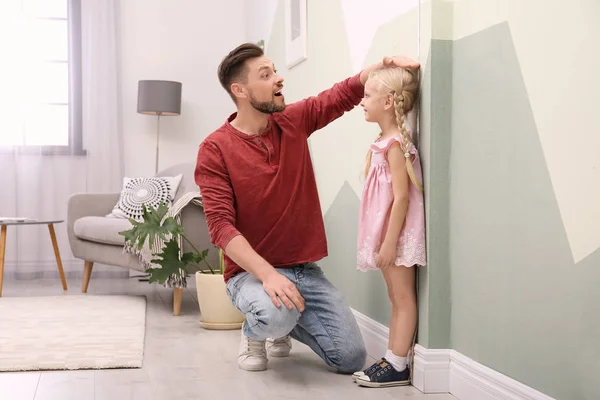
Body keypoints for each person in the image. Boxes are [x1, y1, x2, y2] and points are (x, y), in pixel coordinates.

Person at [194, 43, 420, 373]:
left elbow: (339, 96)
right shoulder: (214, 149)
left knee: (351, 357)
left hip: (303, 272)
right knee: (274, 315)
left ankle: (282, 321)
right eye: (266, 74)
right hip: (251, 276)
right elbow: (221, 227)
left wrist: (381, 66)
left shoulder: (292, 121)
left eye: (275, 70)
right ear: (240, 90)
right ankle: (258, 329)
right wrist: (268, 276)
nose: (279, 79)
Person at [351, 67, 425, 387]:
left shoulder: (396, 144)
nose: (361, 102)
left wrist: (390, 242)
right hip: (385, 235)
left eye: (367, 96)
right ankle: (392, 356)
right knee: (395, 297)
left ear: (389, 100)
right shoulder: (382, 141)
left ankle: (399, 363)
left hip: (396, 236)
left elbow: (402, 198)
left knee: (403, 296)